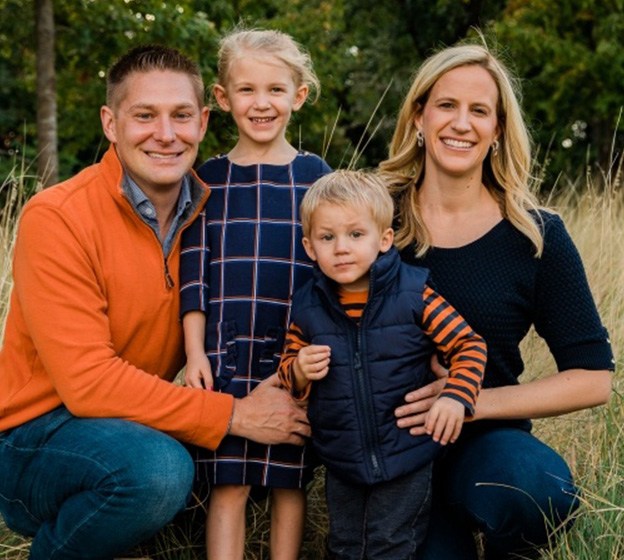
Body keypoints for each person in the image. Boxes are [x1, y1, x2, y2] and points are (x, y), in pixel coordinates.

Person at [0, 44, 311, 560]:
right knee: (162, 471)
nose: (166, 135)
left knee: (196, 473)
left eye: (181, 116)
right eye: (144, 116)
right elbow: (88, 384)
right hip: (35, 437)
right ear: (110, 123)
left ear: (205, 120)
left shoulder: (212, 210)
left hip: (129, 420)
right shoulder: (57, 217)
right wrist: (235, 414)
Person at [378, 42, 615, 559]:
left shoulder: (534, 235)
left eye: (479, 111)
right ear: (419, 116)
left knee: (535, 489)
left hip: (482, 446)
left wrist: (469, 402)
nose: (461, 123)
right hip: (388, 455)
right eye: (446, 105)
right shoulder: (372, 217)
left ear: (498, 130)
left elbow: (594, 378)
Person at [276, 169, 487, 559]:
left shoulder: (413, 295)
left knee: (390, 543)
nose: (341, 248)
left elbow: (469, 345)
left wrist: (456, 397)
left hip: (405, 452)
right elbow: (288, 369)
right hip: (342, 457)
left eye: (356, 235)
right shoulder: (307, 306)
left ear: (384, 239)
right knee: (345, 545)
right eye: (327, 237)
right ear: (309, 246)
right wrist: (300, 370)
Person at [179, 29, 331, 560]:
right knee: (230, 482)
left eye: (275, 90)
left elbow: (333, 272)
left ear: (299, 95)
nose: (261, 103)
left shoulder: (317, 179)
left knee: (287, 483)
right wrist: (195, 353)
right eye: (246, 90)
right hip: (224, 352)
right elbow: (194, 274)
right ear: (221, 98)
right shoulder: (206, 180)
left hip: (296, 355)